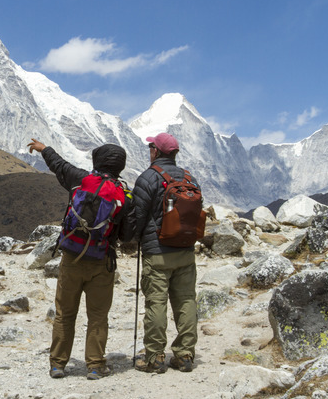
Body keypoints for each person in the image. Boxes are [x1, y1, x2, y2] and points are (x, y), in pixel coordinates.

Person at [27, 138, 136, 380]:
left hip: (72, 258)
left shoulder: (81, 180)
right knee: (97, 315)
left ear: (98, 161)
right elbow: (129, 236)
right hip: (102, 261)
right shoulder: (124, 195)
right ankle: (95, 366)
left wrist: (44, 149)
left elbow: (59, 165)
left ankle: (57, 364)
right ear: (120, 166)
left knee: (65, 313)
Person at [132, 132, 199, 373]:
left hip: (157, 253)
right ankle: (184, 354)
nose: (149, 149)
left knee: (156, 303)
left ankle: (155, 356)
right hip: (186, 252)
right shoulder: (190, 178)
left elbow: (138, 216)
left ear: (156, 151)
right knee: (186, 301)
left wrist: (134, 239)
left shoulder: (148, 178)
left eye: (151, 146)